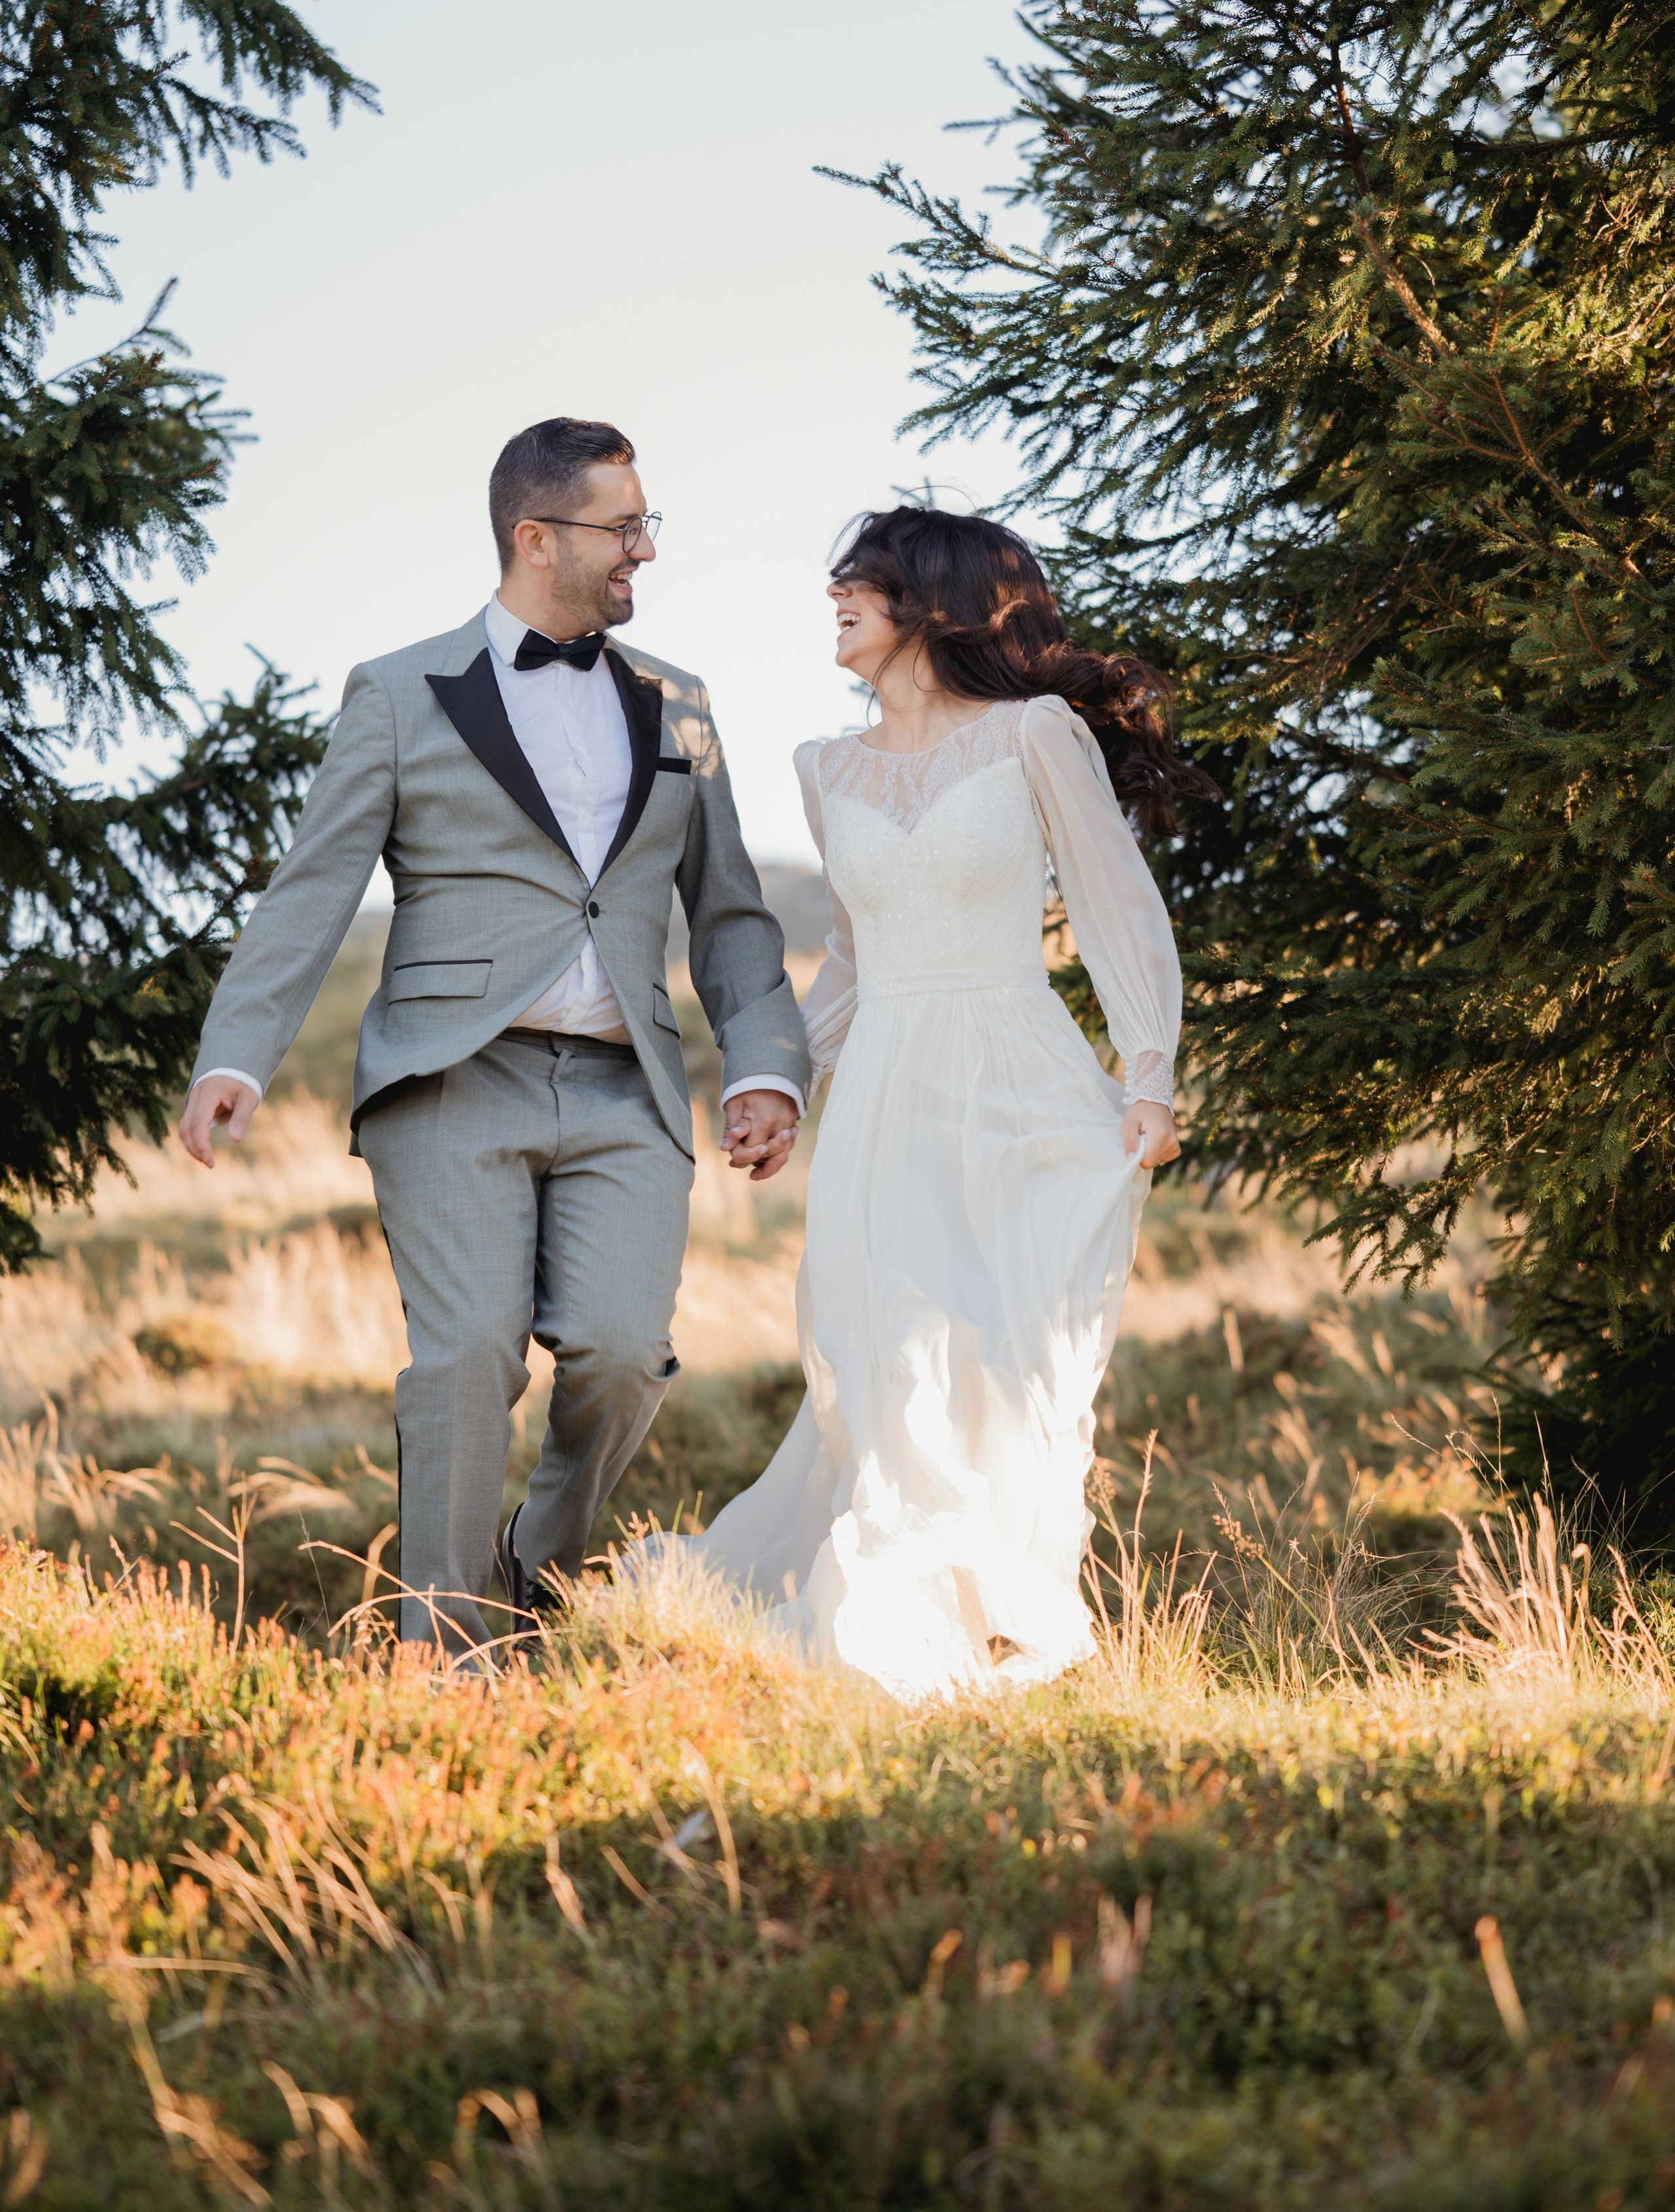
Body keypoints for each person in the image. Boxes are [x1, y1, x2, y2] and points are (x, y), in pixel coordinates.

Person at [177, 417, 809, 1662]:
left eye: (647, 524)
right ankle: (448, 1645)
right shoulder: (399, 691)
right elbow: (312, 891)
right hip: (452, 1076)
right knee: (467, 1357)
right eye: (623, 528)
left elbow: (730, 909)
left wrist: (766, 1065)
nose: (646, 551)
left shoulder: (682, 705)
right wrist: (237, 1053)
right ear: (535, 537)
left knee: (626, 1356)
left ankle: (540, 1567)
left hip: (627, 1089)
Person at [694, 506, 1195, 1698]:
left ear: (934, 599)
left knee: (1009, 1352)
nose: (836, 595)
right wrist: (787, 1081)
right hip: (884, 1099)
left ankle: (999, 1612)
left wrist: (1151, 1076)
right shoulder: (827, 768)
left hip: (1019, 1079)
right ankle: (896, 1620)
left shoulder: (1033, 737)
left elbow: (1120, 905)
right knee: (885, 1350)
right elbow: (857, 959)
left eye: (861, 578)